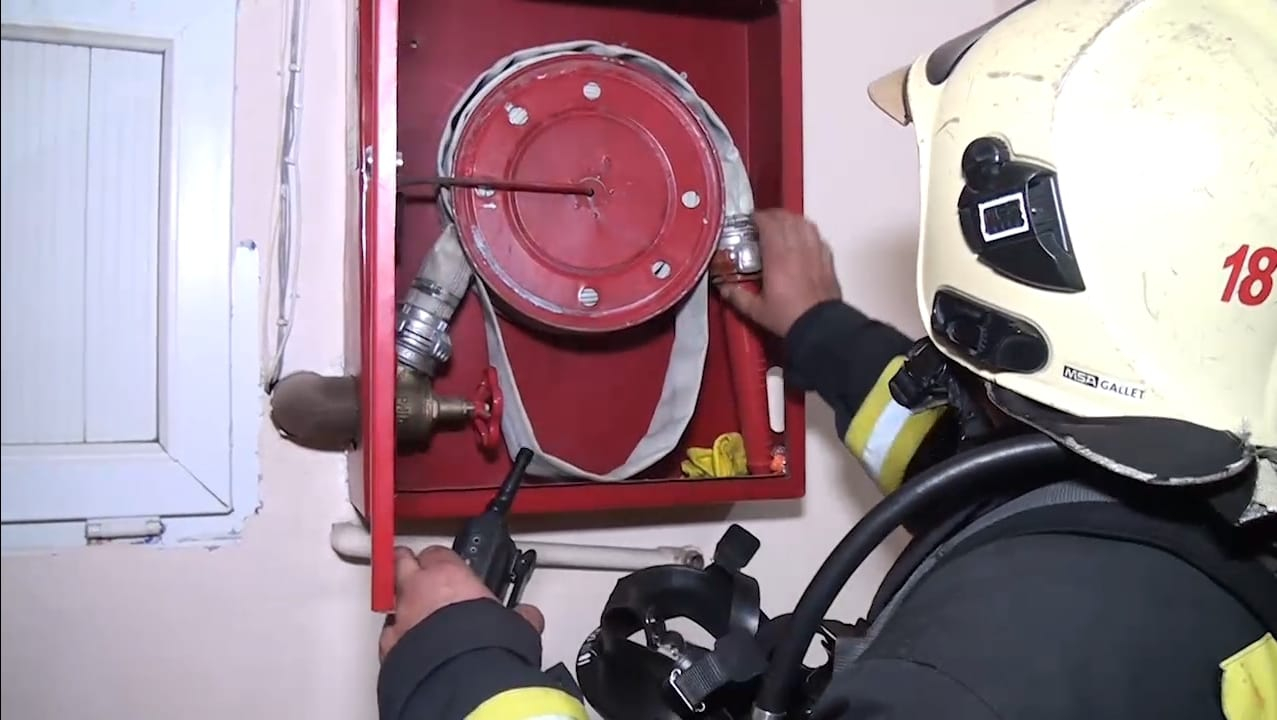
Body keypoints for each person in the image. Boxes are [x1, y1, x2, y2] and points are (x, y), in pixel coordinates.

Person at [377, 1, 1277, 719]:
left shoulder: (981, 672)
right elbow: (973, 468)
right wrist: (817, 328)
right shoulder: (1205, 494)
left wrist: (463, 680)